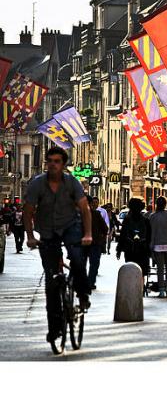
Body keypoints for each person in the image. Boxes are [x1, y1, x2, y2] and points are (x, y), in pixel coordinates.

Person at [23, 147, 92, 343]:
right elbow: (28, 212)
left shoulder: (71, 183)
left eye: (57, 161)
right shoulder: (37, 185)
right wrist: (30, 236)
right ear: (46, 163)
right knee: (51, 284)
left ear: (63, 164)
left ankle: (83, 293)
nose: (52, 164)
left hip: (71, 226)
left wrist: (87, 234)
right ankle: (55, 329)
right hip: (47, 232)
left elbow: (85, 209)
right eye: (50, 161)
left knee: (77, 259)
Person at [116, 198, 151, 276]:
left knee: (130, 268)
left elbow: (122, 236)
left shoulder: (127, 220)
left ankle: (131, 284)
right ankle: (141, 285)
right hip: (143, 249)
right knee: (142, 271)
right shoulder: (146, 221)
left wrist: (119, 249)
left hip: (129, 249)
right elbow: (149, 237)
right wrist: (150, 251)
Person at [84, 196, 108, 290]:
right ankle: (90, 282)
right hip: (95, 243)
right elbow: (105, 229)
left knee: (80, 263)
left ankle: (80, 281)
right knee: (94, 264)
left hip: (82, 243)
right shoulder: (96, 214)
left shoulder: (79, 214)